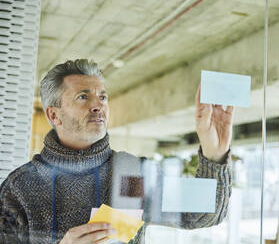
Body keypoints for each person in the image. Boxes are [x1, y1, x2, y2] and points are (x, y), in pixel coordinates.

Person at [0, 59, 235, 243]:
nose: (98, 105)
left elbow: (206, 213)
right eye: (84, 96)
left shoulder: (132, 174)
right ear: (53, 115)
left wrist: (215, 152)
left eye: (102, 96)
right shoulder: (20, 187)